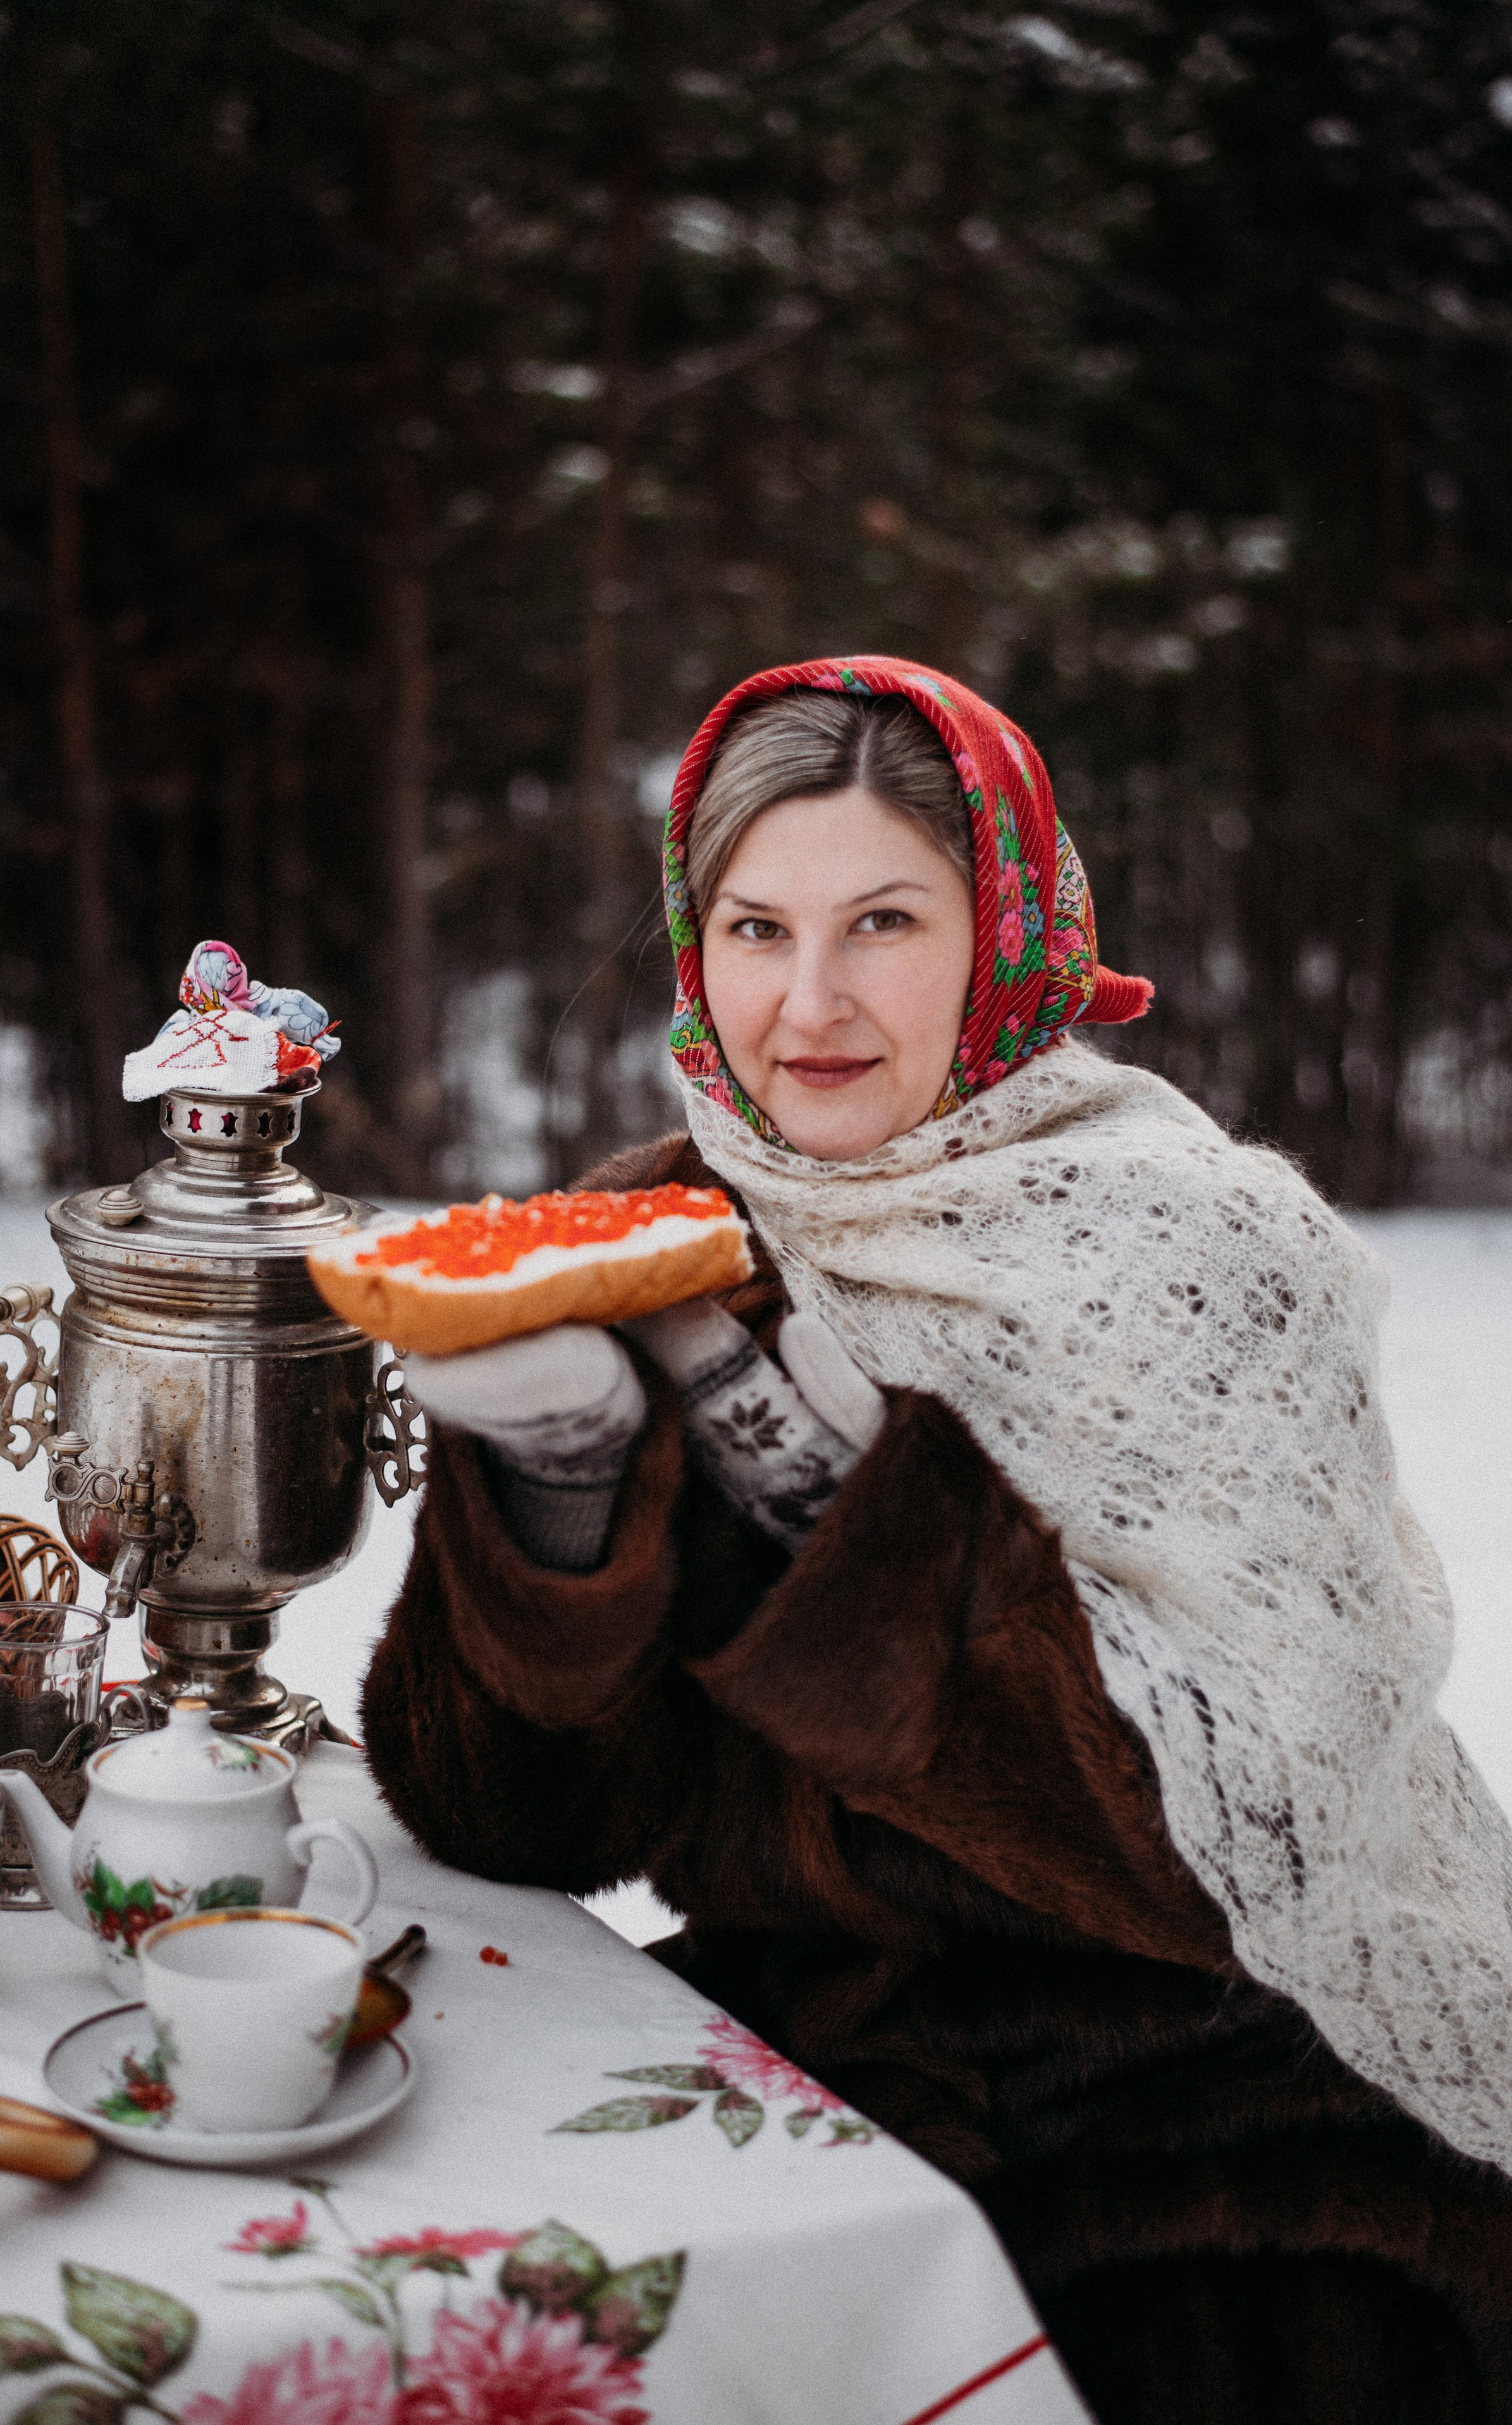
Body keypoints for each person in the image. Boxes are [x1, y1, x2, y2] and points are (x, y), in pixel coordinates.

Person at [362, 655, 1512, 2424]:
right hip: (800, 2056)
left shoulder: (1201, 1252)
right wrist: (560, 1491)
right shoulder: (647, 1230)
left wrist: (843, 1508)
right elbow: (510, 1821)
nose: (805, 1002)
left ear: (1005, 934)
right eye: (754, 929)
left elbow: (1224, 1851)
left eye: (883, 920)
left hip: (1215, 2105)